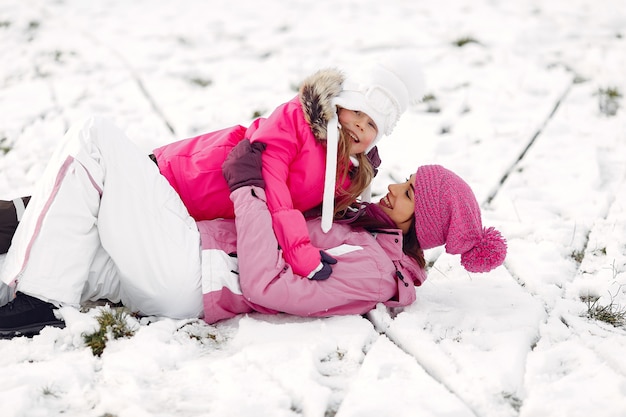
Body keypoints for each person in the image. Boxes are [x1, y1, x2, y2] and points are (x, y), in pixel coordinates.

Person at [0, 133, 506, 338]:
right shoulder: (367, 231)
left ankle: (41, 300)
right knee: (63, 238)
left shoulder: (375, 271)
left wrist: (249, 189)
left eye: (410, 192)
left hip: (192, 275)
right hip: (187, 256)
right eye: (407, 179)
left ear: (422, 225)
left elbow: (270, 285)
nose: (396, 185)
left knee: (97, 141)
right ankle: (28, 285)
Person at [0, 55, 425, 281]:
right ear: (343, 104)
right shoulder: (295, 121)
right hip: (174, 179)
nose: (361, 128)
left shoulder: (346, 175)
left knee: (76, 220)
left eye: (373, 126)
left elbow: (332, 219)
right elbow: (273, 186)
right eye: (359, 114)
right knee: (52, 209)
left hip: (190, 215)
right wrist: (299, 252)